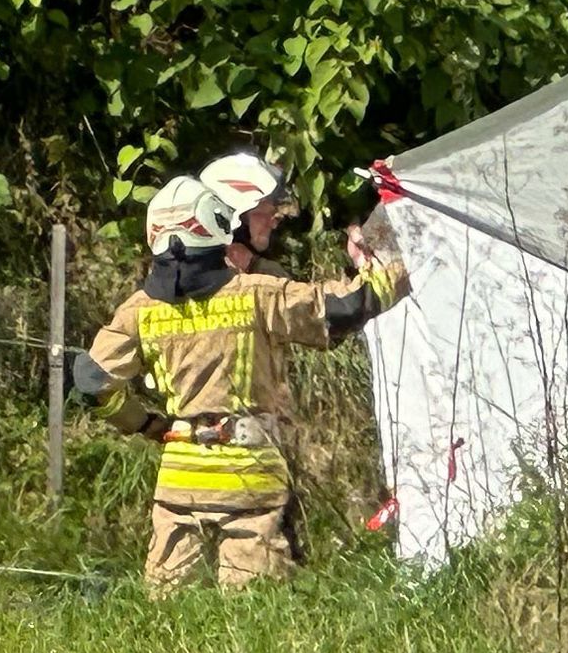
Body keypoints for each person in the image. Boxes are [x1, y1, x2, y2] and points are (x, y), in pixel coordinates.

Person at [82, 158, 412, 594]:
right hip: (250, 479)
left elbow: (91, 381)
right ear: (221, 222)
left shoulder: (142, 308)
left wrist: (149, 425)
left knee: (165, 618)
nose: (274, 219)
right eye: (264, 210)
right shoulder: (257, 296)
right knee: (252, 613)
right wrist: (399, 262)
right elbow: (343, 309)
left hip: (179, 479)